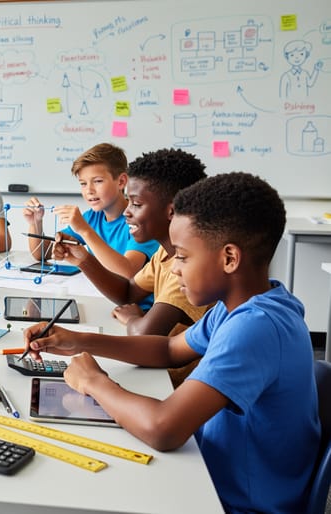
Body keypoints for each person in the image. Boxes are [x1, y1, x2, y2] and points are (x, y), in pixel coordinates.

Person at [23, 172, 319, 513]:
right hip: (208, 470)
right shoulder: (239, 307)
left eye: (182, 255)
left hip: (233, 501)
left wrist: (94, 382)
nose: (174, 268)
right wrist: (77, 340)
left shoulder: (256, 327)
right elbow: (168, 349)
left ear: (229, 258)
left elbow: (163, 429)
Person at [52, 148, 210, 337]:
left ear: (171, 211)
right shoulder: (164, 253)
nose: (127, 212)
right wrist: (84, 260)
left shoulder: (187, 267)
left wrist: (133, 319)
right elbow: (128, 292)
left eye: (136, 204)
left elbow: (145, 333)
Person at [23, 143, 159, 280]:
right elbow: (41, 254)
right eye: (83, 183)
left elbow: (128, 271)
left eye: (98, 181)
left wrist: (85, 231)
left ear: (121, 181)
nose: (89, 190)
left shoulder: (141, 220)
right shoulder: (91, 218)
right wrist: (36, 223)